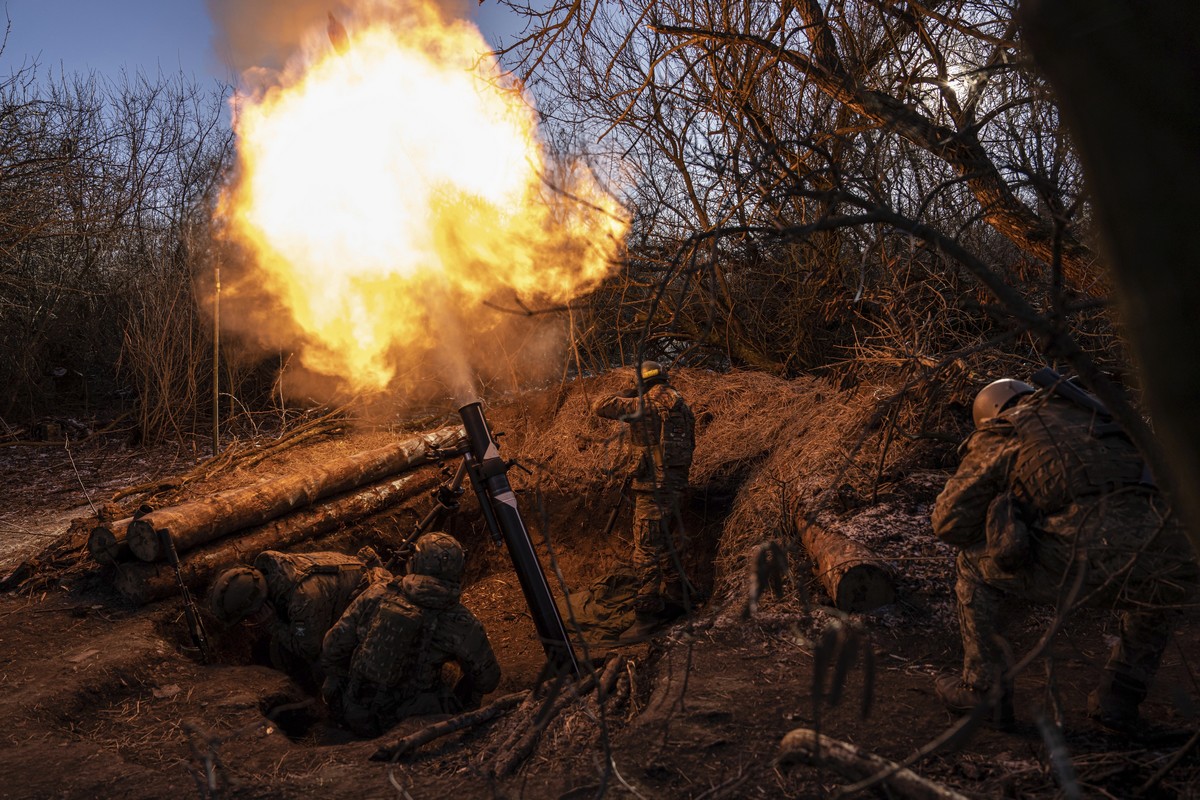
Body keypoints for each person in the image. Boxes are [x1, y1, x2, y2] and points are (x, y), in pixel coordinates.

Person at [932, 377, 1197, 731]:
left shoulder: (1009, 428)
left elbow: (949, 523)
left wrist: (1008, 520)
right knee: (1155, 570)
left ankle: (984, 691)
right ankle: (1119, 698)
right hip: (1175, 555)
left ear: (990, 413)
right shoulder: (1105, 419)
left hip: (1087, 554)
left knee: (971, 565)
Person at [319, 532, 500, 737]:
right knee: (460, 675)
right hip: (415, 723)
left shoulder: (378, 592)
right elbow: (489, 680)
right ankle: (460, 729)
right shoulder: (462, 621)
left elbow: (333, 646)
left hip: (356, 713)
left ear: (415, 563)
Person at [592, 360, 696, 629]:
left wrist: (629, 390)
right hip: (676, 485)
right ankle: (679, 594)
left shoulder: (645, 403)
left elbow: (600, 405)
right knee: (666, 542)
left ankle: (648, 607)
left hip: (653, 488)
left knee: (646, 548)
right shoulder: (680, 404)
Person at [208, 547, 388, 681]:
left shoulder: (302, 599)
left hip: (373, 604)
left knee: (324, 664)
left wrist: (273, 624)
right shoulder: (275, 569)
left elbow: (309, 649)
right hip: (341, 595)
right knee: (279, 648)